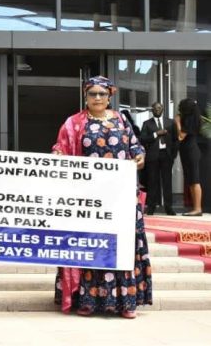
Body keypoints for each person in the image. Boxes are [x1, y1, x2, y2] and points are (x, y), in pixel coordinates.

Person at [52, 76, 151, 318]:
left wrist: (140, 157)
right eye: (93, 93)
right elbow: (60, 148)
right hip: (90, 199)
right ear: (86, 96)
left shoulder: (121, 120)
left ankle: (126, 303)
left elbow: (136, 148)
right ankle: (87, 301)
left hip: (122, 197)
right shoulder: (74, 123)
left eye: (102, 94)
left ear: (110, 96)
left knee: (123, 246)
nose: (97, 98)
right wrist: (57, 155)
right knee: (91, 245)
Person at [140, 102, 177, 215]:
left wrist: (173, 155)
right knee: (152, 181)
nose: (157, 110)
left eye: (159, 108)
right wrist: (156, 134)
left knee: (167, 181)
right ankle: (151, 207)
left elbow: (175, 140)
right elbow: (142, 139)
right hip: (153, 156)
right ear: (152, 110)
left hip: (167, 155)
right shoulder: (147, 123)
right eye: (155, 108)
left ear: (163, 109)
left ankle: (169, 207)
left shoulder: (170, 122)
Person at [175, 98, 203, 216]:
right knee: (191, 180)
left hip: (191, 151)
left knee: (194, 180)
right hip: (188, 150)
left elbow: (181, 136)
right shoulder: (193, 117)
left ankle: (198, 208)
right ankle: (196, 208)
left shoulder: (189, 119)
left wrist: (177, 122)